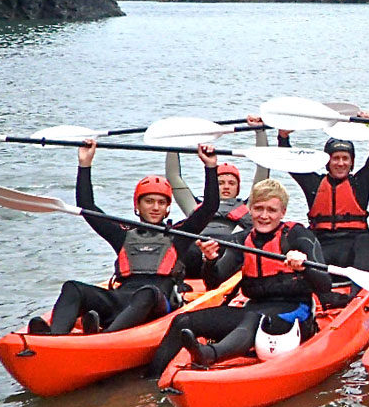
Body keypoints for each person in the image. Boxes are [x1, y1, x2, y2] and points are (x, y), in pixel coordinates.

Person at [146, 177, 351, 375]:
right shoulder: (243, 240)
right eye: (258, 208)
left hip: (293, 313)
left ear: (282, 212)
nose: (264, 216)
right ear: (250, 209)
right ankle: (152, 380)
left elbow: (325, 284)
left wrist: (303, 267)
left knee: (254, 318)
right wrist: (209, 260)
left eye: (271, 210)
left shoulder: (298, 236)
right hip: (254, 309)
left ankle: (210, 354)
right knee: (182, 321)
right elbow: (214, 283)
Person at [26, 141, 223, 336]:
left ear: (167, 209)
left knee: (147, 293)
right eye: (149, 201)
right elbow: (87, 206)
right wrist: (85, 164)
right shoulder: (122, 235)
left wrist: (210, 167)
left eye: (161, 203)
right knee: (73, 287)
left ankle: (106, 336)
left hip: (158, 302)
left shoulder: (179, 235)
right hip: (120, 300)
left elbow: (209, 207)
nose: (155, 207)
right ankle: (54, 336)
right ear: (137, 206)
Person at [277, 122, 369, 272]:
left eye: (345, 158)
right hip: (323, 241)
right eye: (336, 158)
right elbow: (290, 163)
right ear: (327, 162)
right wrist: (283, 137)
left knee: (363, 244)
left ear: (352, 162)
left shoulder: (360, 183)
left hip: (356, 240)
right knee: (301, 239)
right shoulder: (314, 184)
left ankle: (358, 285)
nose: (340, 163)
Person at [169, 116, 270, 278]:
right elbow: (174, 178)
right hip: (197, 250)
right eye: (221, 182)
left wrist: (260, 131)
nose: (226, 186)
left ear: (238, 187)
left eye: (231, 183)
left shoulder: (249, 205)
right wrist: (173, 141)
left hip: (229, 252)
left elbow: (263, 166)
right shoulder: (196, 206)